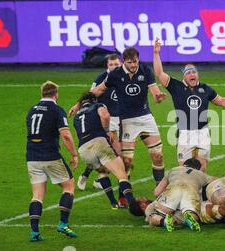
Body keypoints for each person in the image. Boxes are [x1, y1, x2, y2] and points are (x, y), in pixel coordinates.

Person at [69, 47, 167, 187]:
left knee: (158, 155)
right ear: (124, 62)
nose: (133, 65)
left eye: (135, 61)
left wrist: (158, 97)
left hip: (146, 118)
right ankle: (124, 196)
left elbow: (154, 92)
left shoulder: (145, 70)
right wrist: (78, 104)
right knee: (126, 162)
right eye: (130, 62)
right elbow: (98, 90)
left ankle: (160, 188)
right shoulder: (115, 75)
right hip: (127, 121)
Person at [153, 38, 225, 171]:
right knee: (184, 169)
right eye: (188, 73)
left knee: (202, 167)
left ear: (197, 74)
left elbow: (222, 101)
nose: (192, 74)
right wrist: (156, 53)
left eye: (194, 72)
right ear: (184, 77)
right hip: (185, 133)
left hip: (203, 132)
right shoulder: (176, 86)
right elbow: (160, 74)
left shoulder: (205, 88)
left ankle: (200, 192)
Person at [26, 81, 79, 241]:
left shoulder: (31, 110)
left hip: (32, 157)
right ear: (56, 94)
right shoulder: (57, 110)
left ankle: (34, 232)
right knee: (69, 186)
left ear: (42, 94)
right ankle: (63, 223)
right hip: (50, 155)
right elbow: (66, 135)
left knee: (37, 195)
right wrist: (74, 154)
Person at [77, 54, 128, 208]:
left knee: (117, 155)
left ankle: (90, 176)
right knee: (116, 155)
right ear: (107, 65)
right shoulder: (101, 78)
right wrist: (78, 104)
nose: (114, 67)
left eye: (116, 64)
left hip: (123, 119)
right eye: (111, 64)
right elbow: (90, 95)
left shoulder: (125, 77)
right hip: (106, 119)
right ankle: (122, 197)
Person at [73, 92, 137, 210]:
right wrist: (106, 130)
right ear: (93, 100)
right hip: (98, 142)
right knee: (122, 174)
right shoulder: (98, 105)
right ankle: (133, 204)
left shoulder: (77, 115)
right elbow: (105, 116)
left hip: (83, 149)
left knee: (102, 172)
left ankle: (113, 203)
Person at [148, 158, 216, 232]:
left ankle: (164, 222)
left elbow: (157, 192)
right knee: (193, 214)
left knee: (154, 215)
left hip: (174, 189)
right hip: (191, 192)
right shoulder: (202, 175)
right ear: (198, 168)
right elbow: (216, 180)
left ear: (184, 164)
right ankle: (189, 215)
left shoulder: (174, 170)